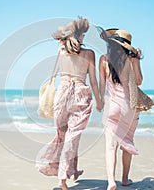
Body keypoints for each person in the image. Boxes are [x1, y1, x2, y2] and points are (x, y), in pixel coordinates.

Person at [36, 17, 104, 190]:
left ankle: (72, 170)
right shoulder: (89, 54)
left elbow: (58, 72)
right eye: (82, 35)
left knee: (64, 135)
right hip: (80, 94)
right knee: (73, 137)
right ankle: (62, 178)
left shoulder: (60, 51)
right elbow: (94, 82)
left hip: (63, 94)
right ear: (78, 36)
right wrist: (99, 101)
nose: (84, 39)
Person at [98, 27, 143, 190]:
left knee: (111, 146)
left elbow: (102, 84)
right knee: (127, 143)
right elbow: (138, 81)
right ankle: (124, 179)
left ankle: (111, 181)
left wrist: (99, 102)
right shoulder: (131, 59)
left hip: (112, 106)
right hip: (129, 107)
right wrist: (137, 59)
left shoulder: (103, 59)